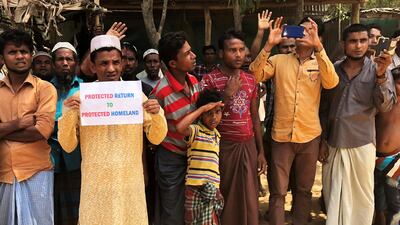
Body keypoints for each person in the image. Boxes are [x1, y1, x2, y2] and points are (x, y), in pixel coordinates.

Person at [57, 35, 168, 225]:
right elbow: (67, 146)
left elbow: (156, 138)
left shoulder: (136, 96)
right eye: (104, 63)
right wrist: (68, 113)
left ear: (122, 64)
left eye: (116, 62)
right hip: (96, 187)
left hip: (129, 185)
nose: (111, 68)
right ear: (93, 67)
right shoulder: (79, 99)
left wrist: (157, 114)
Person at [249, 16, 339, 225]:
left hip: (309, 137)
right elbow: (254, 75)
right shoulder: (279, 60)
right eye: (301, 30)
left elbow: (332, 82)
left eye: (310, 30)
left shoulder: (321, 63)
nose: (304, 34)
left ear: (318, 36)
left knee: (303, 191)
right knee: (278, 192)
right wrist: (269, 45)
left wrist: (319, 48)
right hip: (281, 137)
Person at [319, 23, 395, 225]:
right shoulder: (333, 70)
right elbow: (324, 109)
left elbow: (385, 106)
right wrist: (322, 141)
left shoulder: (379, 69)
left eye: (363, 40)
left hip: (362, 144)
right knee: (333, 196)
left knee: (361, 199)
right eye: (353, 41)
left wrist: (380, 76)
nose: (358, 46)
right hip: (333, 143)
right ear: (344, 44)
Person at [201, 29, 267, 225]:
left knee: (249, 194)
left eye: (241, 50)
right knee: (226, 193)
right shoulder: (210, 80)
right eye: (232, 50)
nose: (238, 55)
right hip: (222, 146)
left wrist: (261, 151)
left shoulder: (250, 79)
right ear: (221, 53)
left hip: (248, 145)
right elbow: (205, 116)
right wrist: (226, 95)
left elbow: (254, 116)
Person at [0, 29, 57, 225]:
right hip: (3, 173)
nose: (20, 57)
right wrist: (18, 124)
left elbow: (42, 131)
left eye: (24, 51)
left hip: (36, 171)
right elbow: (30, 129)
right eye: (13, 52)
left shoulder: (45, 89)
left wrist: (3, 131)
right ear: (3, 57)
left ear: (31, 55)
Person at [151, 31, 200, 225]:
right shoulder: (160, 93)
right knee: (172, 210)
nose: (194, 55)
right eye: (187, 53)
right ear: (173, 64)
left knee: (193, 207)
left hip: (194, 155)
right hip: (171, 158)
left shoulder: (194, 81)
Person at [176, 89, 225, 225]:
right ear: (201, 115)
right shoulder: (195, 130)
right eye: (209, 113)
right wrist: (201, 108)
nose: (214, 117)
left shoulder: (217, 135)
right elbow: (180, 127)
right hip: (194, 188)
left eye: (217, 112)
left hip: (212, 188)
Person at [49, 42, 83, 225]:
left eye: (69, 59)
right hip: (50, 160)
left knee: (77, 212)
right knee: (53, 212)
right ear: (54, 64)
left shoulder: (86, 89)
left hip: (77, 159)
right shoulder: (45, 89)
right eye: (60, 59)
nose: (65, 63)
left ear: (75, 62)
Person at [373, 29, 400, 225]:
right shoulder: (384, 100)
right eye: (397, 83)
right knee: (377, 203)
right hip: (373, 157)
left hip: (396, 159)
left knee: (394, 203)